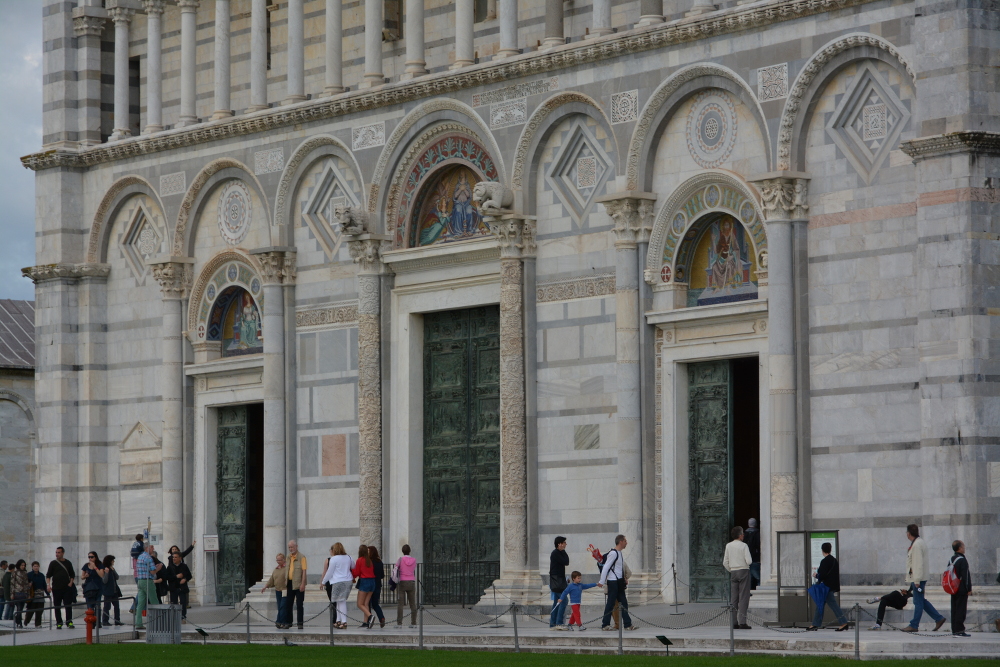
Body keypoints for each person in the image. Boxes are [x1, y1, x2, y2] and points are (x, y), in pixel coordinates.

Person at [902, 524, 946, 632]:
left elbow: (918, 564)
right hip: (919, 577)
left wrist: (916, 580)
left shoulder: (917, 545)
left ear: (908, 533)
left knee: (918, 602)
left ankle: (914, 625)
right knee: (921, 600)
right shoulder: (919, 542)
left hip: (918, 578)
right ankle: (938, 618)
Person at [806, 542, 849, 631]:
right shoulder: (834, 560)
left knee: (833, 606)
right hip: (831, 586)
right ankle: (815, 624)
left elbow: (822, 575)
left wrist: (816, 575)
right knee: (820, 604)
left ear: (822, 550)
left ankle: (844, 622)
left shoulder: (824, 561)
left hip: (826, 587)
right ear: (830, 549)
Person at [599, 534, 635, 631]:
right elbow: (606, 567)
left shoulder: (619, 553)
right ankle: (605, 624)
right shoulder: (613, 553)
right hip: (613, 582)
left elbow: (618, 569)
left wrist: (623, 578)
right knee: (610, 603)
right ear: (621, 542)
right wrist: (601, 581)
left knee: (623, 603)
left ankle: (627, 624)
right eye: (625, 541)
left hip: (618, 582)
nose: (626, 543)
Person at [723, 526, 752, 629]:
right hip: (743, 571)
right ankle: (742, 622)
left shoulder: (728, 546)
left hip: (733, 572)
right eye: (743, 534)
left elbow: (725, 562)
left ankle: (734, 622)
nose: (743, 535)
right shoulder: (744, 546)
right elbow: (749, 561)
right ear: (740, 536)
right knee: (743, 597)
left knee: (734, 598)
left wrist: (731, 569)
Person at [320, 542, 353, 630]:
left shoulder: (334, 559)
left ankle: (344, 621)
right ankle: (338, 620)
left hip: (338, 581)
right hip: (348, 580)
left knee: (341, 601)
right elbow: (353, 566)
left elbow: (329, 572)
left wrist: (323, 581)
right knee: (338, 601)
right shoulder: (349, 557)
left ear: (334, 550)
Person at [45, 546, 75, 629]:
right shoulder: (53, 563)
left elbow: (72, 574)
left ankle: (69, 622)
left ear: (63, 553)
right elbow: (48, 575)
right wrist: (48, 585)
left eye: (59, 552)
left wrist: (71, 582)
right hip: (56, 588)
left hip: (66, 588)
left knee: (68, 605)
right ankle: (59, 622)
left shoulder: (68, 563)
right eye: (56, 552)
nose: (57, 554)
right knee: (57, 606)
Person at [948, 540, 972, 637]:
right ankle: (959, 630)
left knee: (954, 609)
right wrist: (968, 588)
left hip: (953, 588)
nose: (964, 548)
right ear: (959, 548)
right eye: (963, 546)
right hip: (961, 589)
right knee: (961, 610)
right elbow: (965, 576)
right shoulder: (962, 560)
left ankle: (954, 630)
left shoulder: (951, 559)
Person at [261, 553, 290, 629]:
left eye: (279, 560)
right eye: (277, 560)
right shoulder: (276, 569)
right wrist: (265, 587)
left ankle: (280, 622)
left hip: (285, 590)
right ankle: (281, 622)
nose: (278, 561)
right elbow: (272, 580)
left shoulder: (287, 568)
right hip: (278, 591)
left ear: (284, 560)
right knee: (280, 607)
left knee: (283, 607)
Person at [134, 544, 157, 630]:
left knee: (140, 604)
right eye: (151, 547)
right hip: (147, 581)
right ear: (147, 548)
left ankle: (138, 623)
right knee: (154, 602)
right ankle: (157, 622)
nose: (153, 548)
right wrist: (158, 568)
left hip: (140, 581)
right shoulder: (148, 557)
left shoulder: (140, 556)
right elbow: (153, 571)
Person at [352, 543, 376, 628]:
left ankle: (370, 616)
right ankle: (366, 622)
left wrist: (352, 573)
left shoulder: (359, 560)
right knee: (366, 603)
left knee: (359, 604)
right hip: (372, 582)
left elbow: (357, 572)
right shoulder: (369, 560)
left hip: (364, 581)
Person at [164, 552, 192, 622]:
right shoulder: (170, 567)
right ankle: (174, 617)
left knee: (183, 602)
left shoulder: (184, 566)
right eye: (173, 557)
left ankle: (183, 617)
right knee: (174, 603)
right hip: (173, 587)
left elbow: (189, 575)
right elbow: (167, 577)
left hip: (182, 587)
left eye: (176, 557)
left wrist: (185, 579)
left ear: (180, 558)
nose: (174, 559)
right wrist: (175, 576)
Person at [549, 536, 569, 630]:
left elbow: (567, 561)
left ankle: (553, 624)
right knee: (563, 600)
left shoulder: (560, 552)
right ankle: (559, 623)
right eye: (564, 542)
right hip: (557, 581)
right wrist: (563, 551)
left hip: (560, 579)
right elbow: (565, 561)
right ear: (559, 544)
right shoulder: (555, 553)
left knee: (556, 602)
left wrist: (563, 550)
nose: (565, 544)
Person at [286, 540, 307, 629]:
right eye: (289, 547)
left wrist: (303, 584)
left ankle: (300, 623)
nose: (291, 549)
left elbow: (304, 571)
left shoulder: (302, 557)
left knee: (299, 604)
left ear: (296, 546)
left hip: (298, 583)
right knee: (288, 604)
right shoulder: (288, 557)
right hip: (289, 583)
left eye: (292, 547)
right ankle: (288, 622)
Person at [80, 551, 106, 626]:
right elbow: (82, 577)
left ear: (95, 557)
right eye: (89, 557)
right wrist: (85, 576)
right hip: (89, 588)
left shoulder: (100, 565)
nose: (90, 559)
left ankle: (98, 622)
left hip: (98, 587)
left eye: (92, 557)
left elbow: (101, 575)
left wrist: (95, 567)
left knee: (97, 605)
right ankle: (91, 622)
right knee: (90, 606)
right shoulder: (86, 565)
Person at [395, 544, 417, 627]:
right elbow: (414, 568)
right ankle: (413, 623)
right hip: (411, 581)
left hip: (402, 582)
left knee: (400, 604)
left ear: (402, 551)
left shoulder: (400, 559)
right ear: (409, 551)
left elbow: (396, 568)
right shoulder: (414, 560)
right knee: (412, 603)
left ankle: (399, 623)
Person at [101, 555, 123, 627]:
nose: (114, 562)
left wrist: (113, 570)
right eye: (113, 560)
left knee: (117, 607)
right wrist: (106, 573)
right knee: (107, 607)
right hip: (108, 591)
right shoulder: (104, 569)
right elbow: (104, 581)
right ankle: (105, 620)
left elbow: (117, 577)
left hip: (114, 591)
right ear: (110, 561)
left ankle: (117, 620)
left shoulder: (112, 569)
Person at [24, 561, 47, 628]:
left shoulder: (42, 575)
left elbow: (44, 585)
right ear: (32, 567)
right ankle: (26, 621)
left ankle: (38, 623)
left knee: (40, 610)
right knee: (31, 610)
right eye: (35, 566)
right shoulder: (29, 575)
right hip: (32, 595)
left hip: (40, 595)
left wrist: (47, 592)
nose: (36, 568)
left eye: (37, 566)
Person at [368, 546, 386, 628]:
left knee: (367, 603)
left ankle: (369, 620)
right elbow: (382, 575)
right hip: (378, 585)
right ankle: (381, 617)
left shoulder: (369, 562)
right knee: (375, 604)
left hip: (370, 584)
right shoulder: (379, 562)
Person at [10, 561, 30, 628]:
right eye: (22, 565)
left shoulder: (25, 573)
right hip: (17, 592)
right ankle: (19, 623)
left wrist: (28, 593)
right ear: (19, 565)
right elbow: (12, 584)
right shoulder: (15, 573)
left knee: (21, 609)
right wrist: (12, 594)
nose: (23, 566)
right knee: (19, 608)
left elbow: (27, 584)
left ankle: (17, 619)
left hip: (24, 593)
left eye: (24, 565)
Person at [745, 518, 762, 590]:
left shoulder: (744, 534)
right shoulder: (758, 533)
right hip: (755, 558)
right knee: (758, 577)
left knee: (750, 577)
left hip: (745, 559)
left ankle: (749, 592)